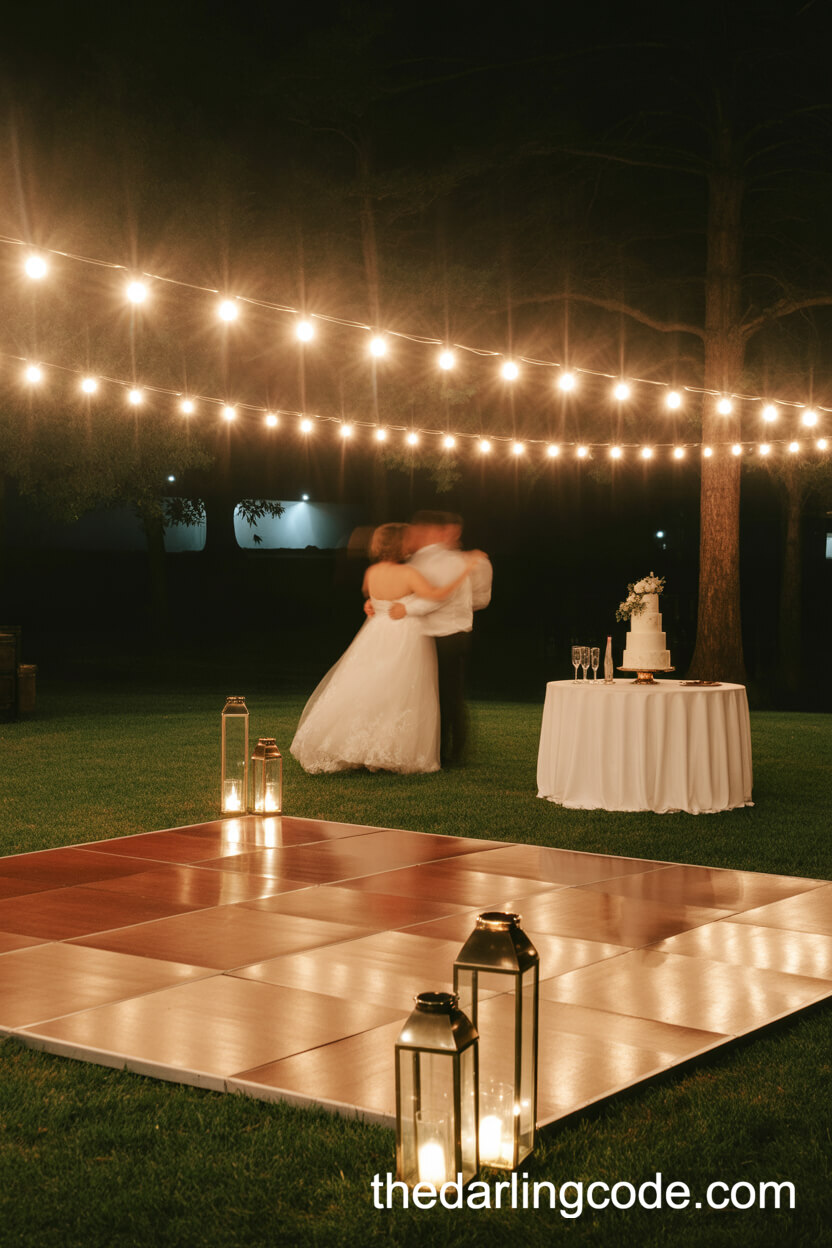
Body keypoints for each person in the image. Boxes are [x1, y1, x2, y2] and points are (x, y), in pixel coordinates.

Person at [290, 523, 481, 774]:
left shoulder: (371, 572)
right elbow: (438, 594)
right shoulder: (408, 574)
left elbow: (372, 598)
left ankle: (361, 746)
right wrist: (465, 570)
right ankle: (393, 751)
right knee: (403, 692)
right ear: (399, 545)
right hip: (404, 634)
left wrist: (371, 605)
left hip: (375, 632)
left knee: (370, 688)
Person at [389, 510, 493, 766]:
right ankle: (435, 747)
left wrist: (407, 610)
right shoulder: (420, 559)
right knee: (429, 693)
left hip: (448, 635)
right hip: (424, 634)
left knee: (448, 694)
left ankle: (452, 752)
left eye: (419, 531)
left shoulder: (450, 561)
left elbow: (439, 596)